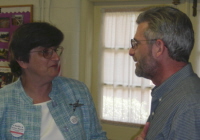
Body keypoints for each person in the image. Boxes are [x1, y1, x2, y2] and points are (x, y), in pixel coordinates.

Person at [0, 22, 107, 140]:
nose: (56, 57)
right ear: (22, 60)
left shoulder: (77, 91)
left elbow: (96, 137)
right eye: (45, 52)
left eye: (55, 50)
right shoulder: (4, 101)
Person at [129, 6, 200, 140]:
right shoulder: (169, 93)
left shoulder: (189, 106)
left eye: (136, 44)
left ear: (158, 48)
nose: (131, 51)